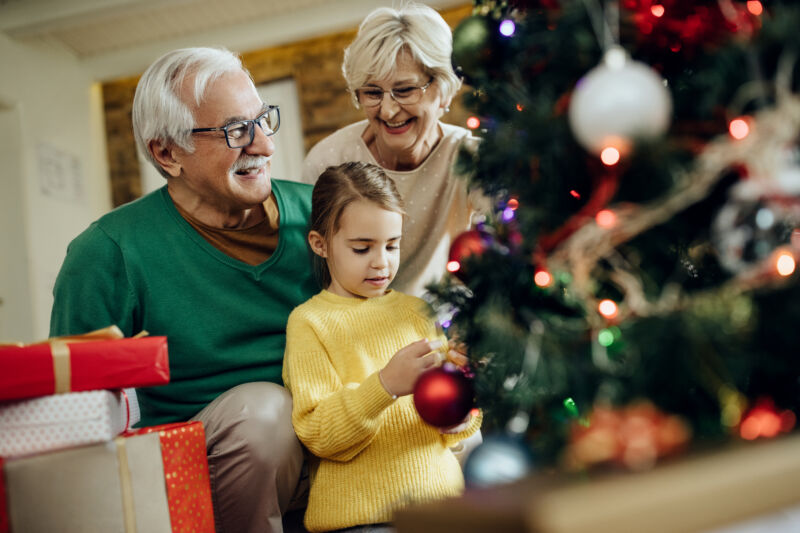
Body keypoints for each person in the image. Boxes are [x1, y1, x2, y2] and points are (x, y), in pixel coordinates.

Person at [50, 47, 316, 533]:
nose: (263, 146)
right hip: (211, 465)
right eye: (237, 131)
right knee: (264, 414)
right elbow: (75, 414)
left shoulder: (321, 217)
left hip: (334, 429)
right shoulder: (109, 251)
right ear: (166, 153)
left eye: (263, 120)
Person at [283, 161, 481, 532]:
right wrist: (385, 386)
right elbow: (319, 434)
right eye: (362, 248)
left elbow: (454, 428)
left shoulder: (417, 312)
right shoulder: (310, 322)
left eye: (392, 246)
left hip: (443, 510)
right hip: (363, 522)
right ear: (320, 244)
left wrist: (461, 400)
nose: (381, 263)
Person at [301, 2, 490, 298]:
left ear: (443, 88)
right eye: (373, 93)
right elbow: (314, 275)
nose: (388, 111)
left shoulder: (473, 158)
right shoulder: (328, 161)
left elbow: (508, 250)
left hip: (448, 324)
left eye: (404, 90)